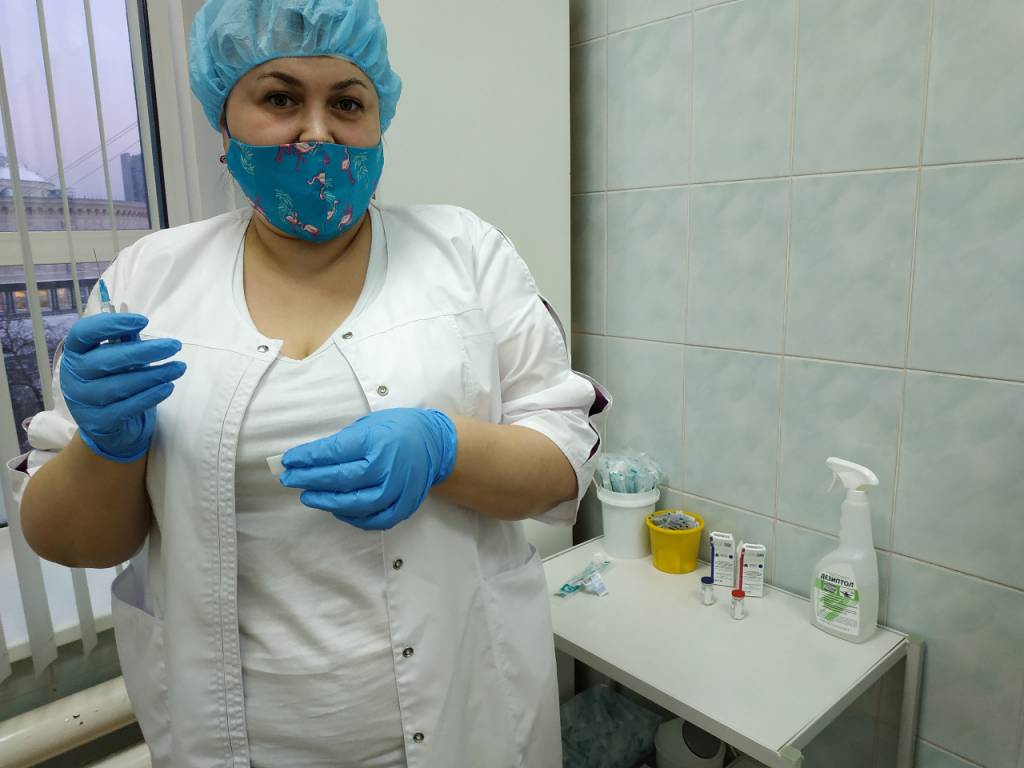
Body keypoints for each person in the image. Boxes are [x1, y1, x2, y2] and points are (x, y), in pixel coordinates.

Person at [16, 1, 608, 766]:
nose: (317, 132)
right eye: (280, 97)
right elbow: (72, 539)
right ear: (223, 123)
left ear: (380, 120)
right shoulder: (148, 281)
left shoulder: (466, 252)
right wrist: (106, 449)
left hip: (465, 714)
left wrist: (445, 446)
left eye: (348, 104)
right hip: (232, 738)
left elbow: (561, 461)